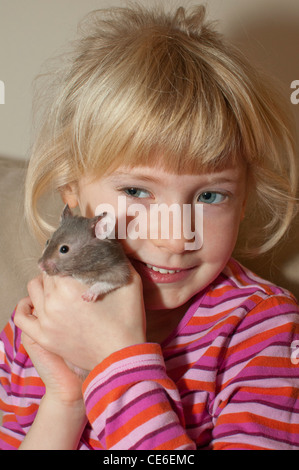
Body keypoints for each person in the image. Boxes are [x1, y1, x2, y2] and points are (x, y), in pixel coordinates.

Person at [0, 3, 298, 450]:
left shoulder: (265, 334)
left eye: (209, 196)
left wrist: (115, 364)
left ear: (243, 203)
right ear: (72, 193)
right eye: (137, 192)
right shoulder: (37, 325)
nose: (174, 238)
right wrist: (66, 401)